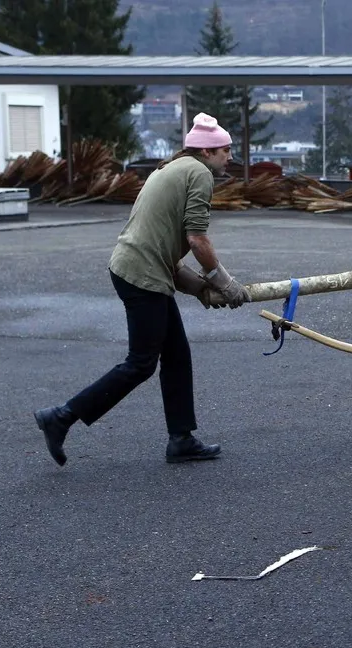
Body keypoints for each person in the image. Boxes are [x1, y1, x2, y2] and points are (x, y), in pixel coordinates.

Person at [34, 113, 250, 467]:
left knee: (176, 355)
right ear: (208, 152)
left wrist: (201, 290)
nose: (229, 158)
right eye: (226, 151)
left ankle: (181, 439)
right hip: (142, 275)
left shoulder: (172, 168)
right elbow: (197, 240)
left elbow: (166, 251)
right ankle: (61, 416)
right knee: (141, 364)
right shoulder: (198, 174)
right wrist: (225, 283)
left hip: (139, 269)